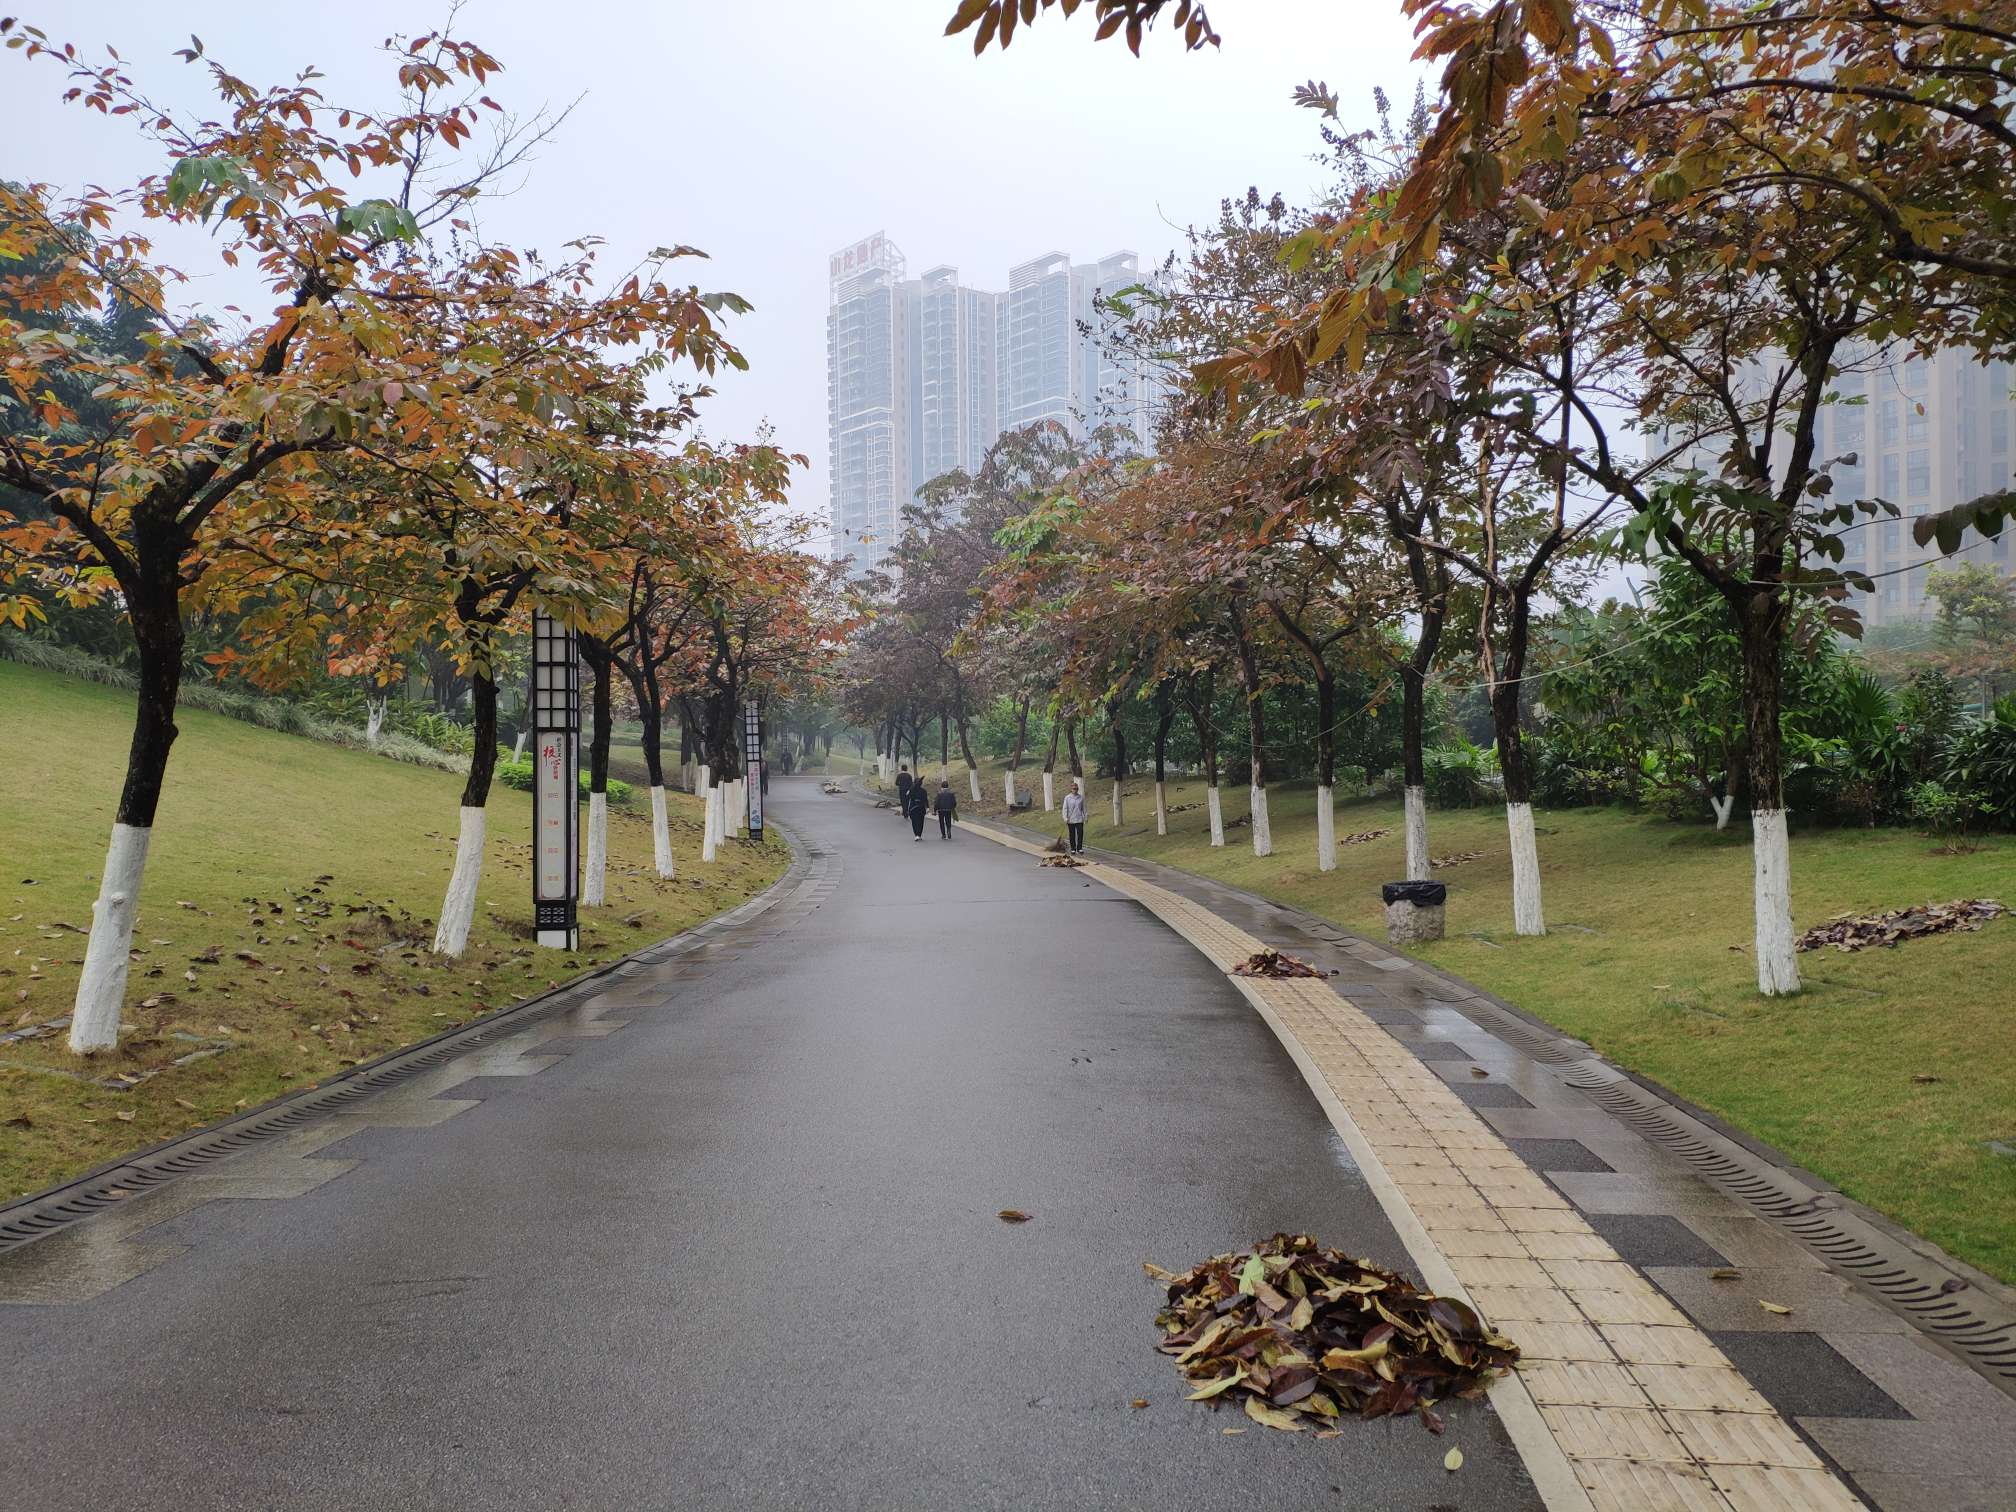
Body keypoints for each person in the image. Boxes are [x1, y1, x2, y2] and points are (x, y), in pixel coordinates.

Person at [1062, 778, 1087, 854]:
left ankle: (1079, 848)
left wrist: (1086, 817)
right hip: (1071, 819)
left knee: (1080, 834)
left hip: (1079, 818)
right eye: (1073, 789)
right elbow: (1065, 808)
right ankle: (1073, 848)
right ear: (1071, 789)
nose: (1075, 790)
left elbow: (1084, 808)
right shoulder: (1067, 798)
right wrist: (1065, 818)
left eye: (1076, 789)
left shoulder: (1081, 798)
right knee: (1072, 834)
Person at [906, 774, 928, 841]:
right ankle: (919, 834)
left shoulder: (911, 790)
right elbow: (925, 800)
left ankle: (916, 835)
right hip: (921, 808)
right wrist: (928, 807)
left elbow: (907, 796)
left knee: (914, 822)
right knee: (921, 822)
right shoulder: (924, 791)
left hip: (913, 808)